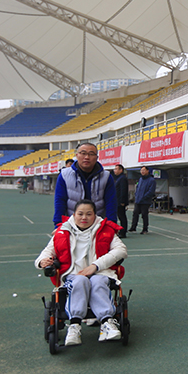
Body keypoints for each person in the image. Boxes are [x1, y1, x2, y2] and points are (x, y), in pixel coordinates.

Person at [34, 199, 127, 346]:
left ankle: (107, 323)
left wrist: (95, 266)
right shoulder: (62, 231)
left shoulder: (106, 230)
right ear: (74, 215)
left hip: (100, 272)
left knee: (97, 280)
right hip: (73, 274)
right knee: (80, 280)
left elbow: (121, 250)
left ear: (95, 215)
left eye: (89, 214)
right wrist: (42, 261)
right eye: (80, 214)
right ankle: (74, 325)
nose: (84, 217)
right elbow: (46, 252)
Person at [53, 143, 117, 227]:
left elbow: (111, 203)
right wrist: (58, 224)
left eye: (91, 154)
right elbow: (60, 201)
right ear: (77, 155)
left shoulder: (106, 176)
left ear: (96, 157)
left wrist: (111, 225)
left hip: (98, 224)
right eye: (83, 153)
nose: (87, 157)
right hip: (72, 224)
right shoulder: (64, 175)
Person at [128, 166, 156, 234]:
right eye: (141, 170)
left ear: (147, 171)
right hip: (138, 200)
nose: (142, 171)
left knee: (144, 215)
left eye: (144, 170)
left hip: (145, 201)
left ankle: (145, 229)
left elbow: (151, 191)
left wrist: (144, 197)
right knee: (135, 214)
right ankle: (133, 227)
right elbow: (138, 188)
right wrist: (136, 196)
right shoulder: (140, 179)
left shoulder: (151, 180)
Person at [113, 164, 128, 238]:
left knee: (122, 217)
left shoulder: (122, 178)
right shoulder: (118, 178)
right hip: (117, 200)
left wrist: (122, 201)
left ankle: (123, 232)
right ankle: (121, 231)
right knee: (120, 216)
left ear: (121, 170)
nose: (114, 170)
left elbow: (123, 190)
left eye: (116, 169)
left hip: (120, 201)